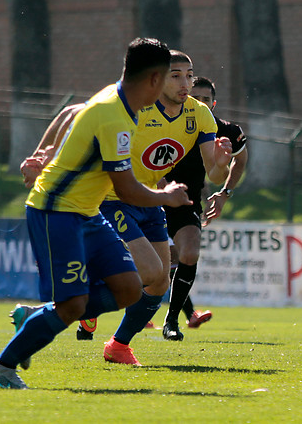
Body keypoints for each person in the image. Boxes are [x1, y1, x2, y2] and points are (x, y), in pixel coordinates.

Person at [0, 38, 190, 389]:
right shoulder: (115, 118)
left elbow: (73, 112)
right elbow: (126, 189)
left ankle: (36, 317)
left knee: (128, 289)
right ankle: (2, 368)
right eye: (169, 78)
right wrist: (166, 196)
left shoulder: (117, 99)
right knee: (73, 305)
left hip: (87, 213)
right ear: (155, 79)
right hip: (55, 212)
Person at [67, 51, 232, 361]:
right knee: (149, 272)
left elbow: (214, 172)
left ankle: (118, 346)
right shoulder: (135, 109)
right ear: (157, 79)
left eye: (189, 75)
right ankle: (51, 311)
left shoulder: (199, 114)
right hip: (114, 197)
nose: (185, 83)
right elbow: (78, 119)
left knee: (158, 283)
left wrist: (223, 164)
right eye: (176, 75)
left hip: (151, 200)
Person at [161, 76, 248, 340]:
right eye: (195, 98)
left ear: (214, 103)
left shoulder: (226, 131)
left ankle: (173, 319)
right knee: (148, 266)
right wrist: (159, 187)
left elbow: (239, 161)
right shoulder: (163, 122)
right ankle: (90, 317)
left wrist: (225, 193)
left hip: (185, 200)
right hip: (148, 193)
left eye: (206, 99)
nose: (201, 103)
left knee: (188, 253)